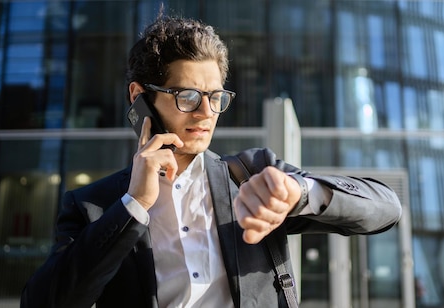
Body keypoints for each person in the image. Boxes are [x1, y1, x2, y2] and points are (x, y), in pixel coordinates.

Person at [20, 12, 402, 308]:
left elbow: (385, 208)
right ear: (139, 96)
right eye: (187, 96)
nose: (205, 113)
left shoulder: (252, 174)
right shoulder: (94, 206)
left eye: (216, 97)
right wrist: (132, 206)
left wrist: (301, 192)